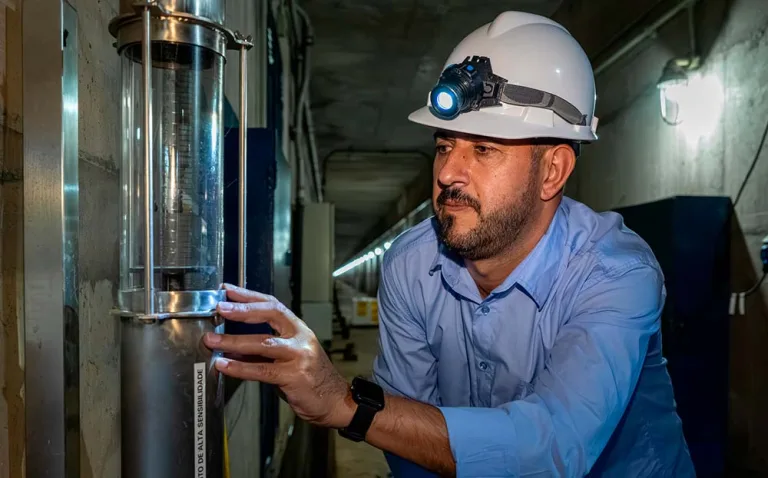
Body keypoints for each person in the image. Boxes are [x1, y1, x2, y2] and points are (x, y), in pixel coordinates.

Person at [203, 11, 696, 477]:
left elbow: (553, 448)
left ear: (553, 172)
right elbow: (403, 430)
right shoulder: (411, 264)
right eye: (444, 145)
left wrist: (345, 404)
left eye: (483, 149)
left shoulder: (615, 273)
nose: (447, 173)